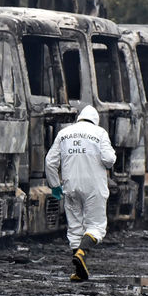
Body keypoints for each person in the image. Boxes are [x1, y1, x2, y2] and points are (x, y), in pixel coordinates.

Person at [45, 105, 116, 282]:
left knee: (75, 229)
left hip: (70, 186)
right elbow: (109, 160)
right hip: (93, 187)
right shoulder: (100, 133)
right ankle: (82, 253)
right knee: (96, 227)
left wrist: (55, 185)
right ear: (95, 120)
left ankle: (79, 271)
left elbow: (50, 161)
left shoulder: (64, 134)